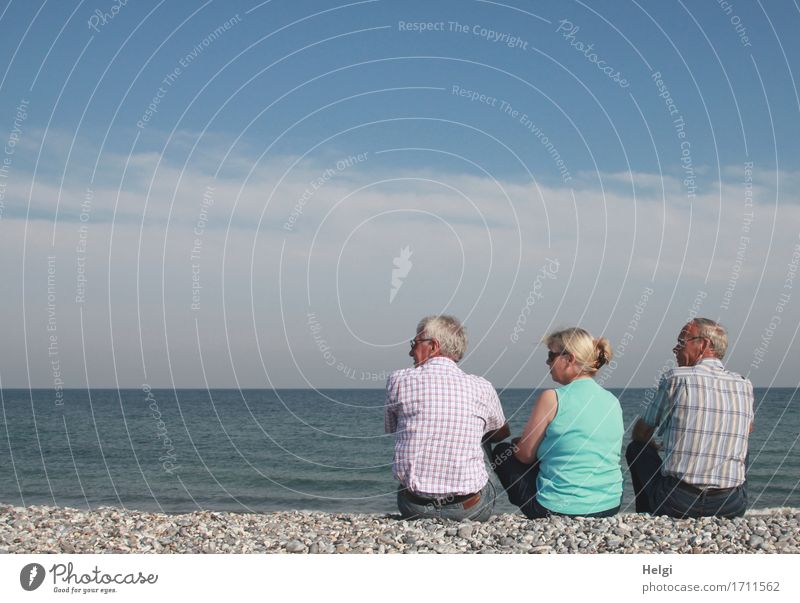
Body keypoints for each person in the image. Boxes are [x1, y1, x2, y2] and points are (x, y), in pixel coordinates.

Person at [385, 315, 509, 521]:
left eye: (414, 344)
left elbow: (394, 427)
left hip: (413, 507)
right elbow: (504, 432)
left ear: (433, 346)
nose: (410, 352)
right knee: (484, 434)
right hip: (470, 509)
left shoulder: (398, 380)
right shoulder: (482, 386)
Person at [626, 318, 754, 518]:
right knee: (743, 446)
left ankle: (648, 514)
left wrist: (652, 441)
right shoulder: (744, 384)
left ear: (702, 345)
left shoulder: (675, 378)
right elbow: (747, 431)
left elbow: (641, 433)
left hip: (677, 502)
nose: (675, 349)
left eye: (681, 342)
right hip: (730, 505)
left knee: (636, 448)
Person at [492, 327, 623, 519]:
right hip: (610, 504)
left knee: (502, 452)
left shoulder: (552, 398)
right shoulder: (612, 400)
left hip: (556, 509)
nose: (547, 362)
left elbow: (525, 457)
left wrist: (518, 444)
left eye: (551, 355)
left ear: (569, 359)